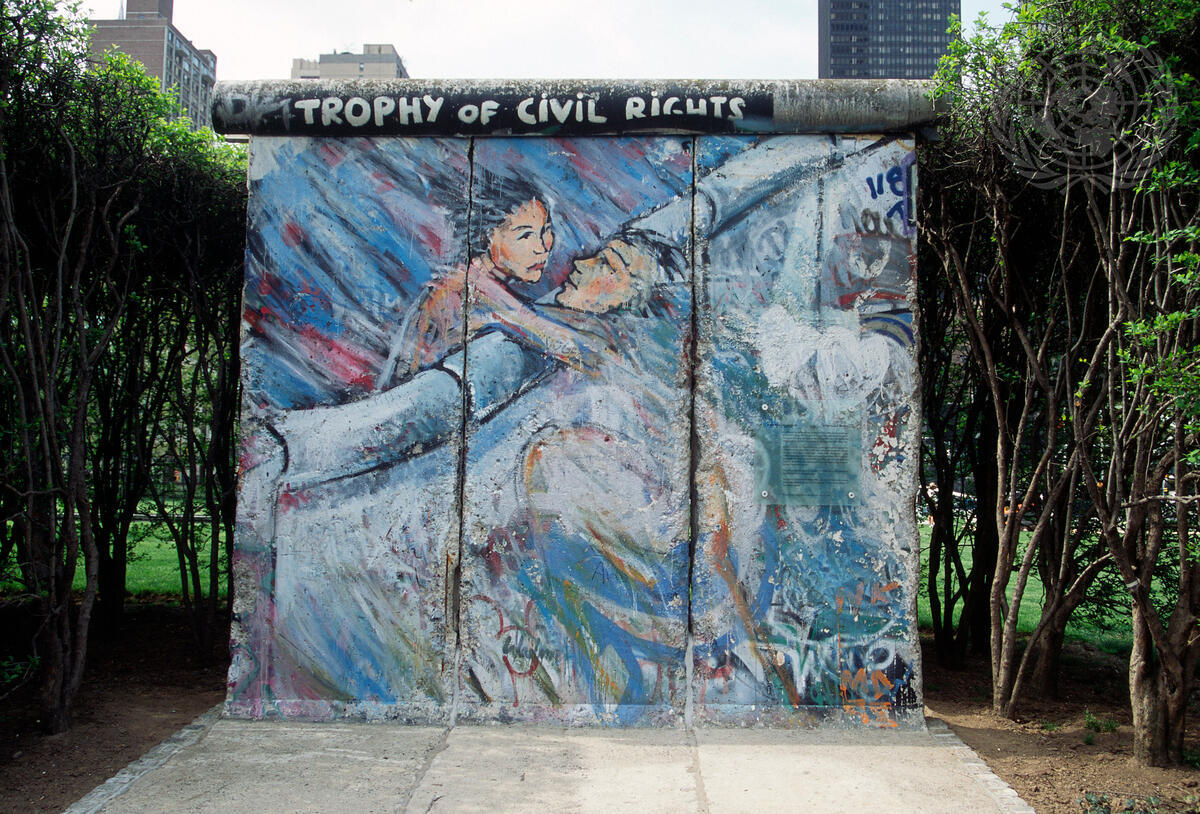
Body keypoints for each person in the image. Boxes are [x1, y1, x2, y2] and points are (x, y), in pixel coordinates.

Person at [376, 172, 612, 390]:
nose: (542, 247)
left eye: (545, 230)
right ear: (486, 238)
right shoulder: (470, 289)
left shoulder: (472, 280)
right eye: (525, 235)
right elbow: (564, 344)